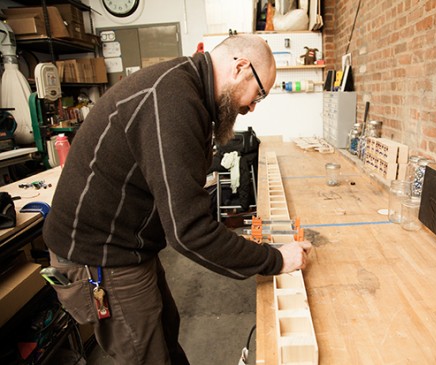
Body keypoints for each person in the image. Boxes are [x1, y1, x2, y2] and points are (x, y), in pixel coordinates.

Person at [42, 34, 312, 365]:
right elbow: (189, 232)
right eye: (258, 94)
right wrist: (275, 259)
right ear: (241, 67)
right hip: (99, 256)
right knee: (148, 355)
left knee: (165, 336)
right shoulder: (174, 101)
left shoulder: (187, 91)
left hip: (128, 244)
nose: (252, 107)